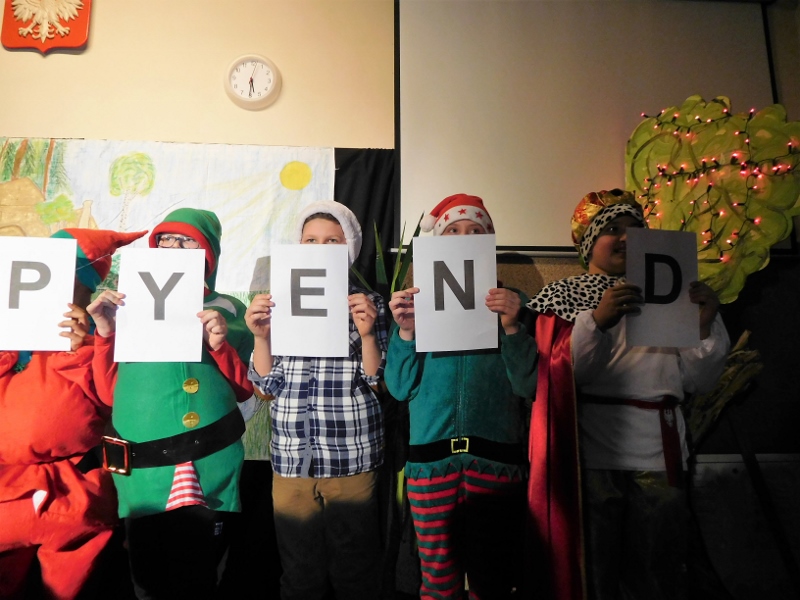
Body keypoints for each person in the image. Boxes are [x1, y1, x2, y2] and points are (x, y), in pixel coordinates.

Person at [526, 188, 730, 600]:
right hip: (590, 452)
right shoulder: (562, 298)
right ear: (588, 242)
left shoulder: (674, 291)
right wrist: (596, 321)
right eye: (612, 229)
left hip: (658, 448)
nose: (624, 238)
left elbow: (700, 380)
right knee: (595, 569)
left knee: (658, 568)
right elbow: (561, 379)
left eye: (634, 230)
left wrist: (703, 325)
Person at [88, 208, 254, 600]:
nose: (174, 248)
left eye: (186, 240)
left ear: (207, 253)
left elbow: (245, 388)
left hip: (207, 462)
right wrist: (105, 332)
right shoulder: (130, 303)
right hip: (146, 469)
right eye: (166, 239)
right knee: (148, 575)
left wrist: (219, 345)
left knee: (200, 575)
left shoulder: (228, 309)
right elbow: (109, 393)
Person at [384, 193, 538, 599]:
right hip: (430, 463)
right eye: (453, 231)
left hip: (496, 463)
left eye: (475, 231)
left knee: (494, 580)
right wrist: (405, 332)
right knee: (438, 580)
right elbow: (399, 387)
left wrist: (512, 328)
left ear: (489, 241)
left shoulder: (513, 305)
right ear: (437, 241)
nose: (464, 238)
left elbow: (529, 386)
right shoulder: (418, 304)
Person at [245, 200, 389, 600]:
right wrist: (260, 337)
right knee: (299, 572)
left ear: (349, 248)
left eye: (332, 240)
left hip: (351, 456)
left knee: (356, 571)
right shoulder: (280, 302)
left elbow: (379, 383)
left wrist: (368, 335)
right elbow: (265, 387)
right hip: (292, 459)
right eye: (310, 240)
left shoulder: (368, 304)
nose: (320, 247)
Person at [0, 228, 145, 600]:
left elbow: (113, 398)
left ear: (86, 291)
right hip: (9, 490)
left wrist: (85, 345)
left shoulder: (99, 337)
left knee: (67, 584)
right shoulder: (12, 332)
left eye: (71, 284)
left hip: (74, 492)